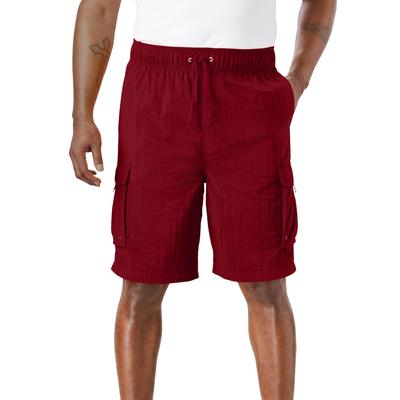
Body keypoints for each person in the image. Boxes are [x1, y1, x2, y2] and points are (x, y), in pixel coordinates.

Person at [69, 0, 336, 398]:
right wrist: (82, 115)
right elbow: (100, 8)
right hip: (157, 91)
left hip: (250, 90)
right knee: (141, 282)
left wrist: (299, 77)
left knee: (266, 281)